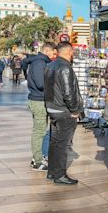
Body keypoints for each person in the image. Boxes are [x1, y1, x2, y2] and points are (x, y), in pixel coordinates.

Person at [44, 41, 83, 185]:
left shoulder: (50, 65)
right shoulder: (65, 68)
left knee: (55, 142)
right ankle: (59, 174)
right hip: (63, 111)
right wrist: (74, 110)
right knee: (62, 144)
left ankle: (52, 171)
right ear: (69, 52)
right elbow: (69, 93)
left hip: (53, 108)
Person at [23, 42, 56, 171]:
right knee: (39, 131)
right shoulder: (39, 63)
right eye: (53, 52)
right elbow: (41, 83)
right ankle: (37, 161)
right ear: (47, 51)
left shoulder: (40, 62)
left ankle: (37, 157)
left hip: (40, 100)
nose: (54, 55)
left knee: (40, 130)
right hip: (38, 101)